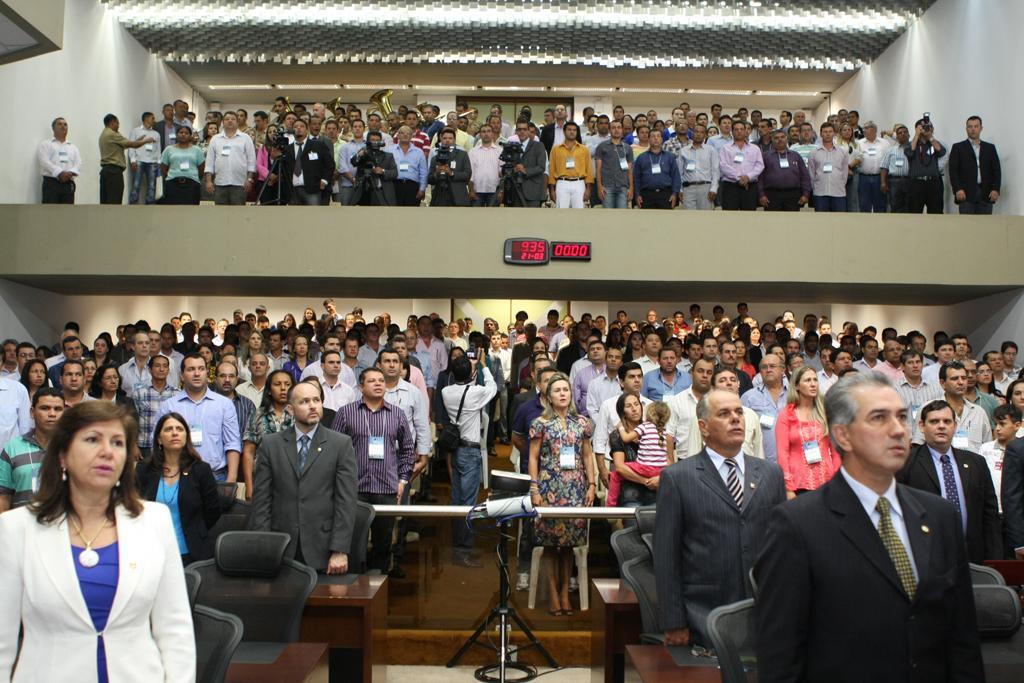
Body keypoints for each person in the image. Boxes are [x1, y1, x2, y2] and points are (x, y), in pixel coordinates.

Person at [755, 373, 984, 682]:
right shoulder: (797, 525)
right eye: (879, 418)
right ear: (843, 435)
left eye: (902, 417)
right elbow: (780, 655)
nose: (898, 429)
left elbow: (962, 637)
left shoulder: (939, 515)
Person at [0, 402, 195, 682]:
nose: (107, 451)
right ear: (63, 456)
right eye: (92, 439)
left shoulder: (155, 521)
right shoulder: (16, 528)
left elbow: (176, 630)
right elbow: (2, 641)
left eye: (117, 442)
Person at [656, 389, 786, 648]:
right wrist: (674, 621)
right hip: (703, 615)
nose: (736, 419)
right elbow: (666, 556)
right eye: (724, 414)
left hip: (765, 614)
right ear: (703, 427)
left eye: (739, 412)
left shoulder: (771, 474)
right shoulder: (678, 477)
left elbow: (783, 549)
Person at [252, 381, 358, 573]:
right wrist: (263, 545)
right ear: (290, 409)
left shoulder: (340, 444)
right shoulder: (271, 444)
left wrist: (340, 549)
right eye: (305, 401)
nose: (312, 406)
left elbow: (346, 501)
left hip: (323, 547)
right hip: (280, 546)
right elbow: (261, 501)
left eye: (316, 400)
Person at [895, 399, 1002, 563]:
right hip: (926, 556)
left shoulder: (976, 463)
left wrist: (995, 559)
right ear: (922, 426)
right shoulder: (906, 463)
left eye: (947, 421)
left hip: (973, 556)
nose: (941, 426)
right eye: (934, 421)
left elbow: (990, 515)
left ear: (955, 426)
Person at [331, 367, 415, 573]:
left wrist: (403, 479)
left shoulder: (397, 414)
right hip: (354, 488)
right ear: (361, 386)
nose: (378, 384)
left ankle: (378, 592)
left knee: (383, 545)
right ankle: (353, 590)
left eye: (381, 380)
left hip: (386, 488)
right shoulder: (346, 413)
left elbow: (407, 449)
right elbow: (332, 449)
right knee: (352, 543)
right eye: (372, 381)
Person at [527, 372, 597, 616]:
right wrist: (534, 489)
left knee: (569, 545)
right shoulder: (540, 424)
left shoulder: (582, 423)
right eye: (557, 390)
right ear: (548, 396)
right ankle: (554, 595)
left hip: (576, 488)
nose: (562, 394)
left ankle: (566, 592)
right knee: (549, 544)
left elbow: (587, 454)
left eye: (565, 390)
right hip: (549, 489)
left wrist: (591, 484)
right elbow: (533, 457)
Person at [136, 412, 221, 563]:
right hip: (151, 552)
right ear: (159, 439)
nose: (175, 432)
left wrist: (196, 529)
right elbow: (134, 507)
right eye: (168, 429)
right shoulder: (145, 469)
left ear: (187, 437)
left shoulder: (201, 469)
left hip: (192, 552)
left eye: (180, 429)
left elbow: (213, 510)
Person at [441, 355, 497, 566]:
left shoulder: (446, 392)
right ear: (472, 374)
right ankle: (463, 549)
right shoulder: (475, 393)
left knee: (457, 499)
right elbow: (492, 388)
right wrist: (482, 366)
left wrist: (471, 372)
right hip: (470, 451)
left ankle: (458, 546)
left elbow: (464, 386)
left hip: (455, 449)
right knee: (469, 503)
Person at [157, 354, 242, 483]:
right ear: (182, 375)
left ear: (207, 373)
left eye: (201, 369)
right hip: (178, 476)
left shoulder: (224, 405)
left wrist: (231, 479)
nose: (197, 373)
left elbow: (233, 443)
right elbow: (159, 444)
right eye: (191, 369)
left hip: (216, 477)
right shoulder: (169, 406)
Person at [776, 366, 840, 497]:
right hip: (798, 484)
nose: (813, 384)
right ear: (797, 386)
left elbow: (836, 451)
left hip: (827, 482)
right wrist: (788, 488)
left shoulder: (826, 411)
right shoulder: (787, 415)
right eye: (807, 380)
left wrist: (837, 479)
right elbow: (783, 453)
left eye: (815, 380)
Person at [0, 388, 64, 512]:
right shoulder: (12, 448)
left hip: (65, 527)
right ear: (32, 412)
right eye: (45, 408)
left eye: (58, 409)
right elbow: (3, 496)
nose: (52, 414)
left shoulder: (74, 448)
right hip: (23, 528)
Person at [241, 370, 295, 504]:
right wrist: (249, 486)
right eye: (277, 384)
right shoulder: (258, 415)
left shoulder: (299, 414)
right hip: (263, 483)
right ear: (269, 390)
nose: (283, 388)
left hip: (294, 483)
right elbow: (248, 452)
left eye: (287, 384)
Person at [609, 401, 674, 506]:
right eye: (629, 405)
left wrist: (620, 427)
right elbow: (668, 462)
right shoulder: (664, 432)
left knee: (615, 474)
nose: (634, 409)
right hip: (659, 471)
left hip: (645, 469)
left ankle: (610, 507)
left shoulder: (644, 426)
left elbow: (625, 438)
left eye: (636, 404)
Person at [948, 115, 1001, 214]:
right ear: (966, 128)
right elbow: (953, 171)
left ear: (981, 128)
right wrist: (957, 189)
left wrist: (996, 189)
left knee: (985, 225)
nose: (973, 129)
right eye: (970, 126)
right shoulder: (958, 147)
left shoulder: (990, 148)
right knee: (967, 226)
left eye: (976, 126)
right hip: (965, 193)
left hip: (986, 193)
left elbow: (996, 170)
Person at [741, 354, 788, 464]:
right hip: (761, 463)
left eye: (772, 366)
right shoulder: (748, 397)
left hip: (792, 464)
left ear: (783, 370)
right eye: (764, 367)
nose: (768, 370)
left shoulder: (795, 394)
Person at [203, 111, 257, 205]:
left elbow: (251, 161)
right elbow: (209, 162)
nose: (230, 121)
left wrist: (249, 180)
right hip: (220, 183)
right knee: (221, 215)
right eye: (227, 119)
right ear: (223, 122)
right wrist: (208, 181)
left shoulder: (246, 138)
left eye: (233, 119)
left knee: (238, 215)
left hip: (240, 184)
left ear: (237, 122)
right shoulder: (215, 139)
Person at [938, 360, 992, 452]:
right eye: (955, 379)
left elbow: (987, 448)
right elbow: (919, 445)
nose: (961, 382)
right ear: (943, 383)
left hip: (974, 464)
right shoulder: (930, 409)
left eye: (964, 378)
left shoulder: (979, 412)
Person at [98, 113, 149, 204]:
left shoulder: (104, 134)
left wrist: (138, 140)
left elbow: (123, 146)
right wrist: (146, 141)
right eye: (117, 123)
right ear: (113, 123)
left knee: (105, 203)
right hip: (113, 172)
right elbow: (132, 145)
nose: (118, 126)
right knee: (115, 201)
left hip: (106, 171)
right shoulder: (112, 134)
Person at [980, 404, 1021, 512]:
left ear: (1017, 425)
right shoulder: (985, 449)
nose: (997, 428)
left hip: (1016, 508)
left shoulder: (1021, 450)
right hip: (991, 508)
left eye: (1002, 424)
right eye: (996, 424)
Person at [757, 129, 810, 211]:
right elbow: (760, 178)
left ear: (787, 139)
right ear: (772, 140)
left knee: (792, 222)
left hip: (793, 195)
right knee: (772, 222)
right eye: (776, 138)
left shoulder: (795, 156)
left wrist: (806, 194)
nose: (780, 139)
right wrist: (761, 195)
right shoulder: (765, 156)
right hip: (771, 195)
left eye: (782, 137)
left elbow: (804, 176)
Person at [717, 119, 763, 210]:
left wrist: (748, 177)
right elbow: (723, 166)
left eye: (742, 129)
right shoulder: (725, 148)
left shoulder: (755, 148)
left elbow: (760, 165)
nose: (739, 131)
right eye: (736, 129)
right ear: (732, 132)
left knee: (749, 217)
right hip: (730, 186)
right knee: (730, 216)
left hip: (750, 187)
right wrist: (740, 178)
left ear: (746, 131)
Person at [905, 116, 947, 214]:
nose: (926, 129)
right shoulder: (912, 144)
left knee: (936, 213)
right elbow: (910, 152)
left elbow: (941, 152)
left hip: (934, 183)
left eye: (929, 127)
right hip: (916, 184)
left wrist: (930, 136)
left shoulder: (934, 143)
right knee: (914, 213)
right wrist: (916, 135)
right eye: (923, 127)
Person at [548, 121, 592, 209]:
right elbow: (551, 169)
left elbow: (589, 169)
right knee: (561, 214)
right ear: (564, 132)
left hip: (579, 183)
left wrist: (588, 189)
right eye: (569, 130)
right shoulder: (556, 149)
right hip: (562, 183)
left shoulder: (584, 149)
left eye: (574, 130)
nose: (572, 132)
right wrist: (552, 190)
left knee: (579, 214)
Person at [807, 122, 850, 212]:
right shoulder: (813, 153)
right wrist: (815, 187)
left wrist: (841, 185)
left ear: (834, 133)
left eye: (830, 131)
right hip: (820, 193)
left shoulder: (842, 151)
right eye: (825, 131)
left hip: (838, 192)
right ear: (821, 134)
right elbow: (811, 173)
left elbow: (845, 172)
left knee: (839, 221)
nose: (828, 134)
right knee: (821, 222)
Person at [38, 117, 81, 204]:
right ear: (53, 128)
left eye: (65, 124)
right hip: (51, 184)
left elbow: (79, 163)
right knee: (50, 213)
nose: (63, 126)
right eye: (60, 124)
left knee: (67, 214)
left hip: (68, 184)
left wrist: (70, 173)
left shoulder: (73, 147)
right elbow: (44, 162)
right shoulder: (46, 144)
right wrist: (60, 173)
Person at [159, 125, 206, 204]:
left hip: (192, 184)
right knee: (172, 211)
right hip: (172, 184)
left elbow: (201, 168)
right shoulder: (169, 149)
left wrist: (194, 177)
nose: (183, 134)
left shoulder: (197, 150)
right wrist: (170, 177)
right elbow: (163, 167)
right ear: (176, 135)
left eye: (186, 133)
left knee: (191, 211)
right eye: (181, 132)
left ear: (190, 136)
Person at [593, 120, 634, 209]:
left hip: (623, 186)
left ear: (622, 130)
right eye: (613, 128)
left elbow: (630, 170)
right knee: (608, 217)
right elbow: (598, 169)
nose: (616, 130)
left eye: (619, 127)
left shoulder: (628, 148)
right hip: (607, 187)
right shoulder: (602, 146)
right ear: (609, 130)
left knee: (622, 216)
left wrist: (631, 188)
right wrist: (599, 187)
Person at [350, 130, 397, 206]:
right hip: (363, 190)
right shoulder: (363, 153)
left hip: (381, 192)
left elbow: (395, 173)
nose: (375, 142)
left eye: (377, 140)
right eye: (373, 140)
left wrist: (382, 171)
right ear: (367, 141)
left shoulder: (388, 156)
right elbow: (353, 162)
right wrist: (359, 155)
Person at [428, 128, 473, 206]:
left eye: (450, 138)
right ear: (441, 139)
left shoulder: (463, 155)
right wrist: (437, 173)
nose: (447, 140)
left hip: (458, 196)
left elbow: (467, 175)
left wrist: (451, 173)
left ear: (454, 140)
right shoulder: (435, 158)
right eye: (445, 138)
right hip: (439, 196)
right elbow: (429, 179)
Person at [852, 121, 890, 213]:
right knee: (864, 204)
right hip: (863, 178)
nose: (864, 130)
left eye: (866, 128)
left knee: (880, 204)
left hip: (879, 178)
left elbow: (888, 160)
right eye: (864, 128)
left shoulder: (885, 143)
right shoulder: (858, 143)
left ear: (874, 129)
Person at [127, 112, 161, 205]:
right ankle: (133, 205)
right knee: (136, 184)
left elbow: (158, 149)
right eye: (152, 118)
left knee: (152, 186)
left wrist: (159, 163)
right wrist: (133, 161)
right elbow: (131, 146)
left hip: (152, 162)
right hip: (139, 161)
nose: (154, 120)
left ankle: (150, 206)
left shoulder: (156, 134)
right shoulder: (135, 131)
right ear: (146, 119)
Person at [391, 125, 428, 206]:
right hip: (394, 186)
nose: (405, 135)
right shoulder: (390, 150)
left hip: (412, 187)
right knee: (394, 214)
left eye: (408, 133)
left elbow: (423, 172)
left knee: (412, 215)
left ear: (412, 136)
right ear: (397, 135)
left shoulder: (419, 152)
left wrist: (422, 189)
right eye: (402, 133)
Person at [468, 123, 502, 206]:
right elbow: (470, 173)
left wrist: (501, 191)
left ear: (492, 134)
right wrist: (471, 190)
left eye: (489, 131)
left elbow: (502, 173)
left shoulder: (500, 151)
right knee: (476, 217)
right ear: (479, 135)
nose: (486, 134)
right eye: (483, 132)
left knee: (493, 217)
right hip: (477, 190)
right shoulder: (473, 152)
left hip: (494, 190)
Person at [880, 124, 911, 212]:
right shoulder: (891, 150)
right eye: (900, 133)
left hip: (910, 181)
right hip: (894, 182)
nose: (903, 134)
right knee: (895, 206)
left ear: (909, 135)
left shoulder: (914, 148)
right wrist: (883, 182)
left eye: (905, 132)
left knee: (910, 206)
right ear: (896, 136)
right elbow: (884, 167)